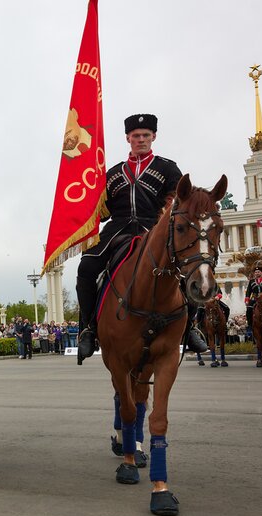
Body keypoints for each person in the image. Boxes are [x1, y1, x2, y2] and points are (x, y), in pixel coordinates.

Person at [76, 113, 207, 363]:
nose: (141, 140)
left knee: (187, 266)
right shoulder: (113, 173)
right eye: (136, 136)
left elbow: (182, 199)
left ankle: (191, 328)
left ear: (153, 137)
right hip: (118, 229)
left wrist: (165, 215)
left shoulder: (167, 168)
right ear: (128, 139)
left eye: (146, 135)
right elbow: (101, 211)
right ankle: (88, 329)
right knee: (87, 267)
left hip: (154, 228)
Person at [244, 263, 262, 335]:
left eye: (258, 272)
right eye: (256, 272)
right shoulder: (251, 281)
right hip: (255, 299)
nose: (257, 273)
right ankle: (250, 324)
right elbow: (248, 291)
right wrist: (247, 299)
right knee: (249, 309)